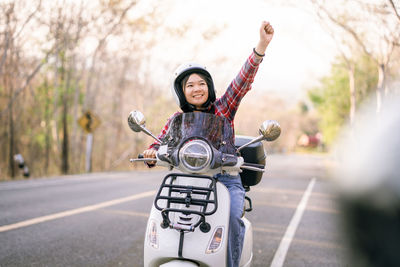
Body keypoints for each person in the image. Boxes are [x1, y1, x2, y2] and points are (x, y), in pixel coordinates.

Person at [143, 21, 274, 267]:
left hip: (226, 179)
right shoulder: (176, 120)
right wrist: (151, 153)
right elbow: (160, 143)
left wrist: (261, 46)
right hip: (186, 181)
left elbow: (242, 81)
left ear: (209, 87)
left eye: (201, 83)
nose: (196, 88)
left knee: (234, 214)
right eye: (190, 85)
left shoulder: (224, 109)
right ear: (182, 92)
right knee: (164, 216)